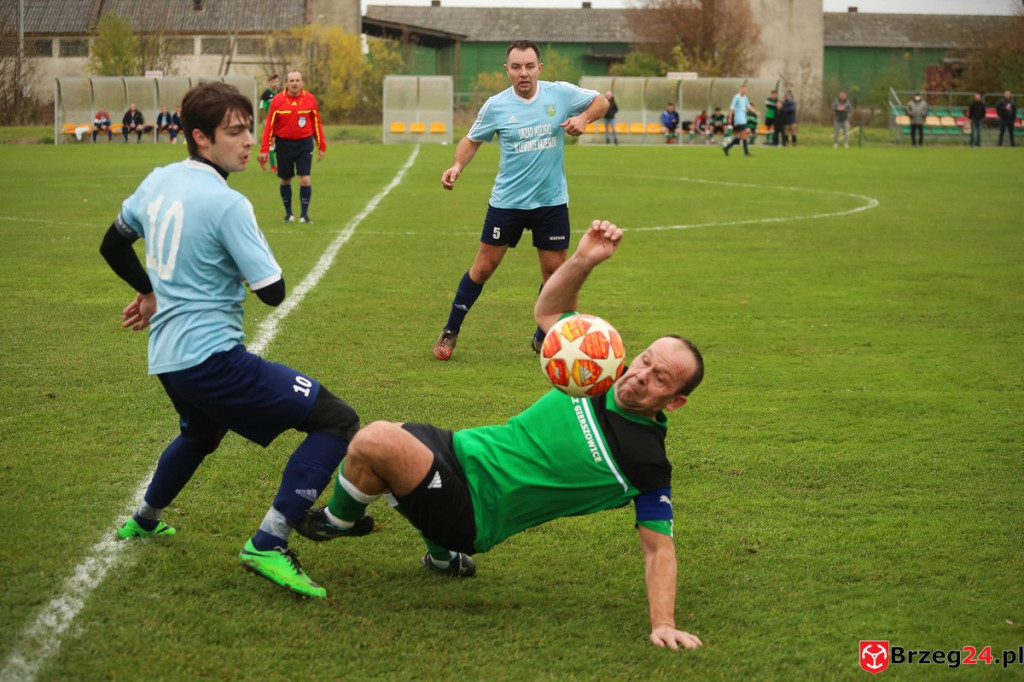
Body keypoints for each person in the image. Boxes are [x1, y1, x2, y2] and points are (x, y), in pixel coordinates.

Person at [299, 219, 705, 651]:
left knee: (376, 440)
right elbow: (548, 312)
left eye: (660, 378)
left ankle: (340, 521)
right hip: (461, 450)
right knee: (387, 448)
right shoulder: (596, 367)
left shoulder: (644, 460)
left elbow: (659, 549)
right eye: (645, 360)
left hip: (475, 510)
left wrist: (664, 622)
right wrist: (584, 258)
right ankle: (443, 560)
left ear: (674, 402)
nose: (641, 376)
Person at [99, 81, 361, 599]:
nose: (247, 141)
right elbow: (273, 292)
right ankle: (270, 541)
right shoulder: (227, 204)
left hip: (168, 359)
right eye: (234, 132)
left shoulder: (158, 180)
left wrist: (149, 290)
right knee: (337, 421)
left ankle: (146, 519)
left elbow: (112, 244)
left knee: (201, 434)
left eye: (249, 129)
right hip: (213, 360)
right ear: (200, 137)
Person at [434, 40, 607, 361]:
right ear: (507, 70)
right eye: (516, 67)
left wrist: (584, 119)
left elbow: (600, 102)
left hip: (551, 202)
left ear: (539, 68)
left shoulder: (560, 93)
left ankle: (543, 336)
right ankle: (450, 330)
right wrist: (457, 166)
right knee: (484, 267)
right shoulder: (496, 105)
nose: (523, 73)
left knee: (555, 274)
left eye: (529, 66)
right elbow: (472, 140)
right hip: (507, 204)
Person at [259, 71, 326, 224]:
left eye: (297, 80)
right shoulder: (277, 101)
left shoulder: (309, 99)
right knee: (285, 179)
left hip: (304, 144)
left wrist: (321, 145)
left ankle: (304, 215)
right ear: (286, 84)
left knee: (304, 179)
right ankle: (288, 214)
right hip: (284, 144)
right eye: (291, 80)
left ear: (302, 83)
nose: (294, 83)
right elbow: (269, 126)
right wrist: (264, 149)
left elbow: (316, 123)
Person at [723, 83, 759, 157]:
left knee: (740, 136)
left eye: (745, 89)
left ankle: (727, 148)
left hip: (743, 118)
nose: (744, 91)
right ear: (740, 89)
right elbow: (731, 108)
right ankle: (746, 153)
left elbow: (749, 106)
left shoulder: (745, 98)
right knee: (744, 135)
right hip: (739, 118)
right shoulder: (736, 97)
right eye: (743, 89)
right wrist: (730, 118)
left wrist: (756, 112)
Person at [259, 74, 281, 169]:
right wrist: (264, 120)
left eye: (276, 82)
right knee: (272, 142)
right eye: (273, 82)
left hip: (279, 122)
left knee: (278, 142)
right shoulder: (266, 94)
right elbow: (262, 108)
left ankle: (263, 158)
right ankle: (273, 166)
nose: (275, 84)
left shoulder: (281, 93)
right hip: (270, 122)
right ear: (269, 83)